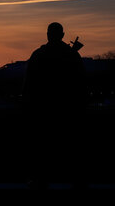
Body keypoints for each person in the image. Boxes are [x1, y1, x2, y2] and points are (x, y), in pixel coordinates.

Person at [23, 22, 87, 189]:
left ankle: (40, 179)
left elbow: (29, 84)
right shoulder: (72, 56)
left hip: (43, 109)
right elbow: (81, 83)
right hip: (67, 109)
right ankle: (76, 180)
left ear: (47, 35)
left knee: (42, 149)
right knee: (71, 148)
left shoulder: (38, 55)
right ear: (63, 35)